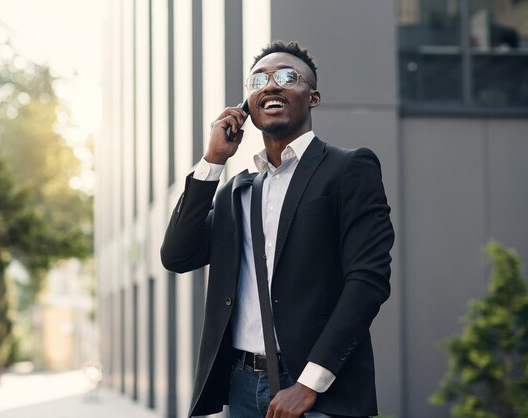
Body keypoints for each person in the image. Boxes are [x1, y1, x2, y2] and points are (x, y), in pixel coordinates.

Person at [161, 40, 394, 418]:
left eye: (287, 77)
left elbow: (368, 281)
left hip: (319, 392)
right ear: (246, 107)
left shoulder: (349, 169)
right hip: (241, 385)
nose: (270, 85)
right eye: (258, 81)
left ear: (313, 97)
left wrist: (308, 383)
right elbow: (177, 255)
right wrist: (213, 161)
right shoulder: (238, 192)